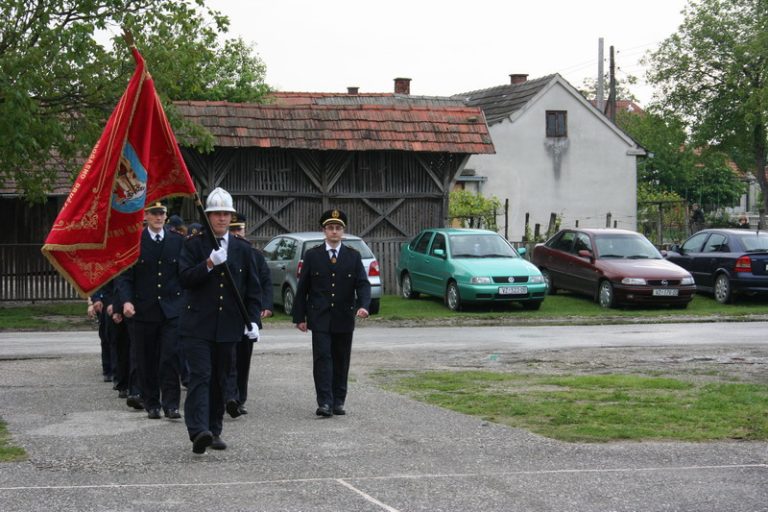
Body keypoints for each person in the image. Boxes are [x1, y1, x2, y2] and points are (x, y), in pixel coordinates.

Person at [178, 187, 262, 454]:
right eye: (217, 214)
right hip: (198, 324)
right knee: (201, 376)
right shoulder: (194, 246)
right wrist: (209, 265)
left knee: (220, 379)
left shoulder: (243, 249)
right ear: (208, 216)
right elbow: (184, 279)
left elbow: (252, 288)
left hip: (228, 326)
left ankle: (214, 430)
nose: (222, 219)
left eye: (226, 214)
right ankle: (198, 430)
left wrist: (253, 322)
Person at [292, 209, 371, 417]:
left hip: (344, 317)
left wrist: (364, 305)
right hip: (319, 317)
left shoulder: (353, 257)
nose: (334, 232)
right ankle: (324, 402)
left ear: (343, 232)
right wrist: (300, 317)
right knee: (322, 358)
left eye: (338, 228)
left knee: (341, 358)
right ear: (324, 231)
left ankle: (338, 401)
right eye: (330, 228)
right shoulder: (312, 255)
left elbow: (362, 284)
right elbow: (303, 288)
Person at [116, 202, 185, 420]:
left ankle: (171, 404)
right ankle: (152, 402)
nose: (158, 217)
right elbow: (125, 276)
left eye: (161, 213)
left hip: (171, 310)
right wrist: (126, 301)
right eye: (153, 213)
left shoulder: (177, 241)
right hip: (143, 310)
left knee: (170, 357)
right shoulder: (135, 241)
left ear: (166, 216)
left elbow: (184, 273)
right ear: (145, 216)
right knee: (146, 360)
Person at [225, 214, 273, 418]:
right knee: (228, 359)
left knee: (243, 359)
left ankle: (240, 398)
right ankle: (229, 397)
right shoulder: (221, 252)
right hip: (226, 314)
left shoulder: (254, 255)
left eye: (239, 230)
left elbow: (264, 282)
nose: (237, 233)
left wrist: (266, 306)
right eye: (233, 230)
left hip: (247, 315)